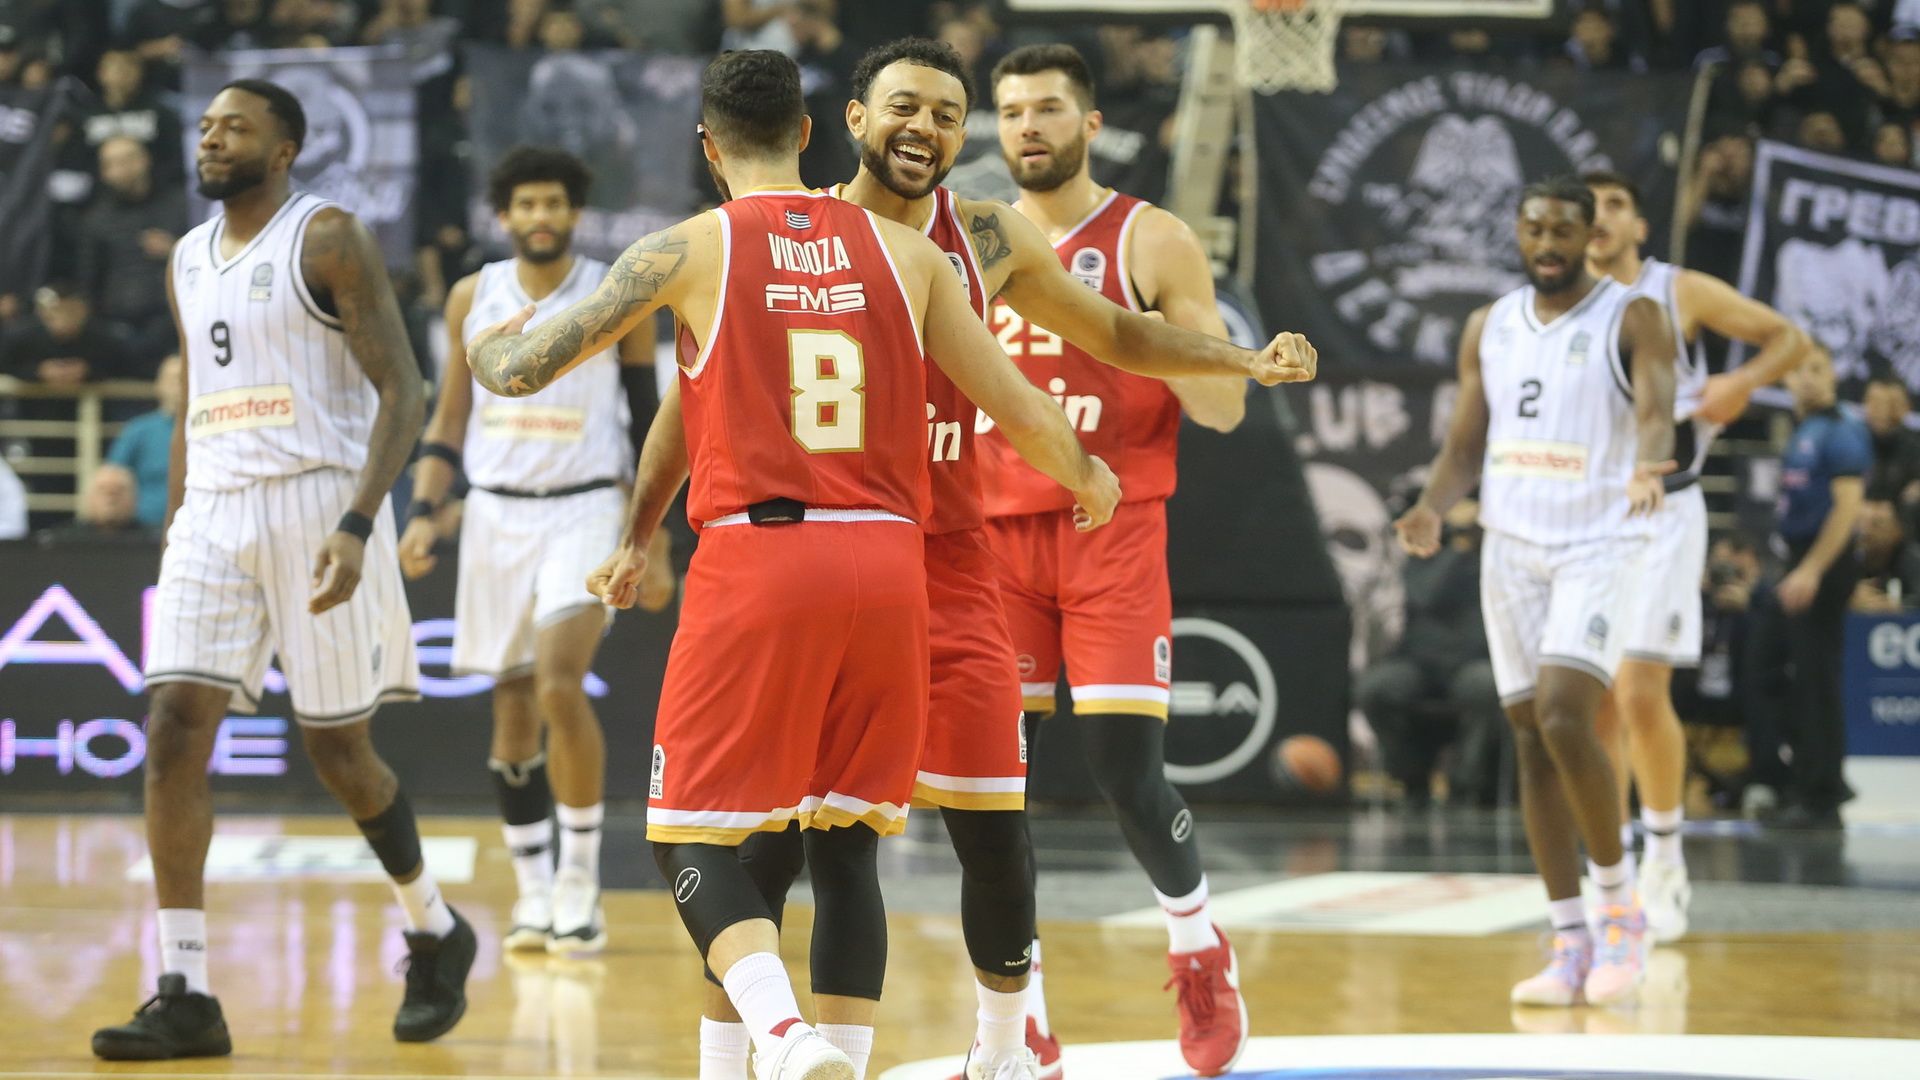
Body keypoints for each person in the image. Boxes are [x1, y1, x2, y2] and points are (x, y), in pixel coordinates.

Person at [640, 37, 1312, 1080]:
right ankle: (745, 1057)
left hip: (953, 560)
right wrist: (640, 528)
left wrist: (1242, 360)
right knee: (783, 839)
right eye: (904, 107)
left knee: (995, 825)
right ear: (850, 122)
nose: (925, 129)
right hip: (846, 546)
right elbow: (696, 389)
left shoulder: (985, 235)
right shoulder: (791, 233)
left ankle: (1014, 1047)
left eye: (948, 115)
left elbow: (1117, 334)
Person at [467, 49, 1122, 1080]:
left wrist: (484, 346)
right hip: (892, 567)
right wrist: (1088, 475)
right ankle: (831, 1057)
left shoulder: (688, 247)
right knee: (847, 839)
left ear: (707, 146)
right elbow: (1020, 407)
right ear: (812, 133)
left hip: (762, 556)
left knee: (692, 837)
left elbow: (519, 371)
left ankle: (782, 1037)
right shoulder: (912, 257)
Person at [89, 79, 469, 1061]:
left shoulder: (326, 236)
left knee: (339, 753)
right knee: (172, 730)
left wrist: (358, 521)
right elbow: (195, 401)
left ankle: (434, 926)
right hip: (214, 511)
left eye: (236, 127)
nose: (213, 139)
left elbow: (404, 388)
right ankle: (186, 990)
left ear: (286, 148)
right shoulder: (186, 255)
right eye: (206, 126)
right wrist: (175, 527)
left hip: (319, 500)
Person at [980, 42, 1278, 1076]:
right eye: (1012, 111)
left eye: (1048, 108)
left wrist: (1146, 338)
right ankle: (1021, 1014)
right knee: (993, 788)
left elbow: (1224, 407)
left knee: (1124, 771)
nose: (1028, 126)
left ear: (1091, 124)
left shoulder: (1150, 237)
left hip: (1112, 528)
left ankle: (1198, 949)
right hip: (995, 535)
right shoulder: (971, 238)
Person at [1395, 175, 1677, 1009]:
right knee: (1528, 737)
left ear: (1592, 237)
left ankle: (1622, 909)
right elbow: (1464, 446)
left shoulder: (1634, 315)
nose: (1548, 244)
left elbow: (1657, 409)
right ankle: (1569, 939)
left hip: (1599, 541)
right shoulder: (1489, 325)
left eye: (1563, 230)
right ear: (1517, 234)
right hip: (1512, 547)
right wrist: (1430, 506)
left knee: (1563, 712)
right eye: (1535, 229)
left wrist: (1648, 463)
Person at [398, 145, 667, 957]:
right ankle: (534, 890)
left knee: (557, 685)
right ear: (504, 216)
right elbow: (450, 418)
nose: (541, 216)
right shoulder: (472, 296)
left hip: (586, 505)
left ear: (574, 213)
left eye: (554, 203)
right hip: (494, 514)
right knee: (512, 706)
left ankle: (580, 883)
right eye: (527, 204)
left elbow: (647, 413)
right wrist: (423, 510)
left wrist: (653, 535)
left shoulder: (615, 290)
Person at [1582, 169, 1812, 943]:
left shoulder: (1679, 290)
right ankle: (1610, 871)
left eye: (1617, 204)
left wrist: (1741, 381)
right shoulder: (1562, 306)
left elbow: (1791, 337)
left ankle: (1666, 860)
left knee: (1640, 690)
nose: (1601, 216)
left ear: (1640, 225)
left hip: (1666, 510)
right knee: (1596, 701)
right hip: (1588, 518)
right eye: (1590, 206)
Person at [1771, 347, 1869, 829]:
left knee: (1818, 677)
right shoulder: (1804, 429)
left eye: (1818, 369)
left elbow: (1847, 509)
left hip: (1824, 560)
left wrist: (1811, 569)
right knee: (1801, 674)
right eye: (1799, 370)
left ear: (1833, 376)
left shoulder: (1841, 428)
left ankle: (1822, 795)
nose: (1809, 379)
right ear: (1785, 380)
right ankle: (1810, 782)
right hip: (1801, 557)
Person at [1357, 497, 1505, 810]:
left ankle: (1466, 786)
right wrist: (1459, 544)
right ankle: (1411, 779)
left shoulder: (1499, 553)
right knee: (1376, 689)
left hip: (1473, 660)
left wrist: (1479, 541)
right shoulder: (1426, 551)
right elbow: (1428, 592)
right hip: (1419, 662)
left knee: (1487, 686)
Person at [105, 354, 182, 530]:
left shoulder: (208, 432)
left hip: (197, 527)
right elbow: (112, 476)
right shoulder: (138, 431)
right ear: (158, 385)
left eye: (184, 379)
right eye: (173, 379)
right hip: (143, 529)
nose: (179, 386)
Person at [1852, 498, 1920, 612]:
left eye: (1876, 524)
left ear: (1896, 530)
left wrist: (1895, 606)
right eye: (1860, 524)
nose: (1866, 532)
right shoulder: (1854, 559)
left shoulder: (1913, 560)